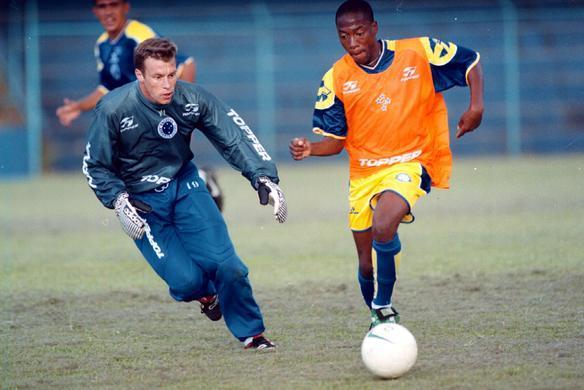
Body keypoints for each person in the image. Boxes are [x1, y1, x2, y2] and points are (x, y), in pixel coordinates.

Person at [83, 37, 287, 350]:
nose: (167, 85)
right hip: (141, 203)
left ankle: (252, 334)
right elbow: (95, 166)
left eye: (171, 75)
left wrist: (263, 176)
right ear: (139, 75)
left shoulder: (193, 99)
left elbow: (233, 135)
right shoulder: (112, 108)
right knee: (186, 281)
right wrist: (119, 201)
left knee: (228, 266)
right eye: (157, 77)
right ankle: (207, 295)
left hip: (186, 185)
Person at [289, 0, 484, 329]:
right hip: (363, 175)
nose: (353, 43)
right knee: (366, 264)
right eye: (344, 36)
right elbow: (336, 143)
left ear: (375, 28)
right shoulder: (335, 78)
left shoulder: (418, 51)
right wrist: (310, 149)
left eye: (359, 33)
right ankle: (379, 320)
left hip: (411, 162)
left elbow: (471, 62)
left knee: (383, 225)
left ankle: (383, 305)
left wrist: (476, 106)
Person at [56, 0, 196, 128]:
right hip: (134, 122)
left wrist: (178, 115)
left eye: (114, 4)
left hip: (153, 123)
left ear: (125, 7)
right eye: (102, 6)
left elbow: (187, 64)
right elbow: (106, 89)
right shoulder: (101, 44)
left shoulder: (139, 36)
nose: (108, 11)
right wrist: (79, 106)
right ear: (95, 11)